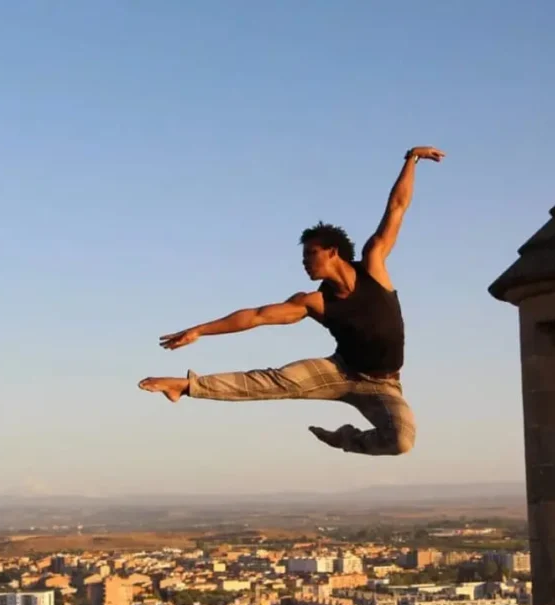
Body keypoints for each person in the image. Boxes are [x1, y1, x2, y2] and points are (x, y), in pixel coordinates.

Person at [138, 145, 445, 456]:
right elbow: (256, 316)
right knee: (274, 381)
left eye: (310, 254)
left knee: (401, 441)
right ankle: (186, 386)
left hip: (383, 385)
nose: (305, 262)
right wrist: (200, 330)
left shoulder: (374, 266)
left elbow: (397, 207)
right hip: (338, 373)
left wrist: (412, 159)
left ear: (333, 252)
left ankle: (345, 439)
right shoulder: (313, 302)